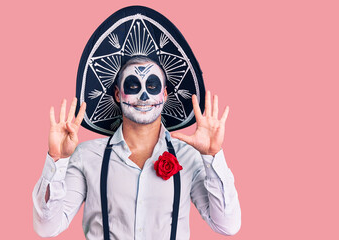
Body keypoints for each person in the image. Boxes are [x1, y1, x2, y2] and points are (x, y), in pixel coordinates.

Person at [33, 6, 241, 240]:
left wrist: (213, 155)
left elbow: (227, 225)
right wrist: (57, 160)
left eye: (152, 86)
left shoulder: (189, 157)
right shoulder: (86, 156)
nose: (144, 97)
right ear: (118, 94)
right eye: (133, 86)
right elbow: (46, 228)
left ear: (164, 94)